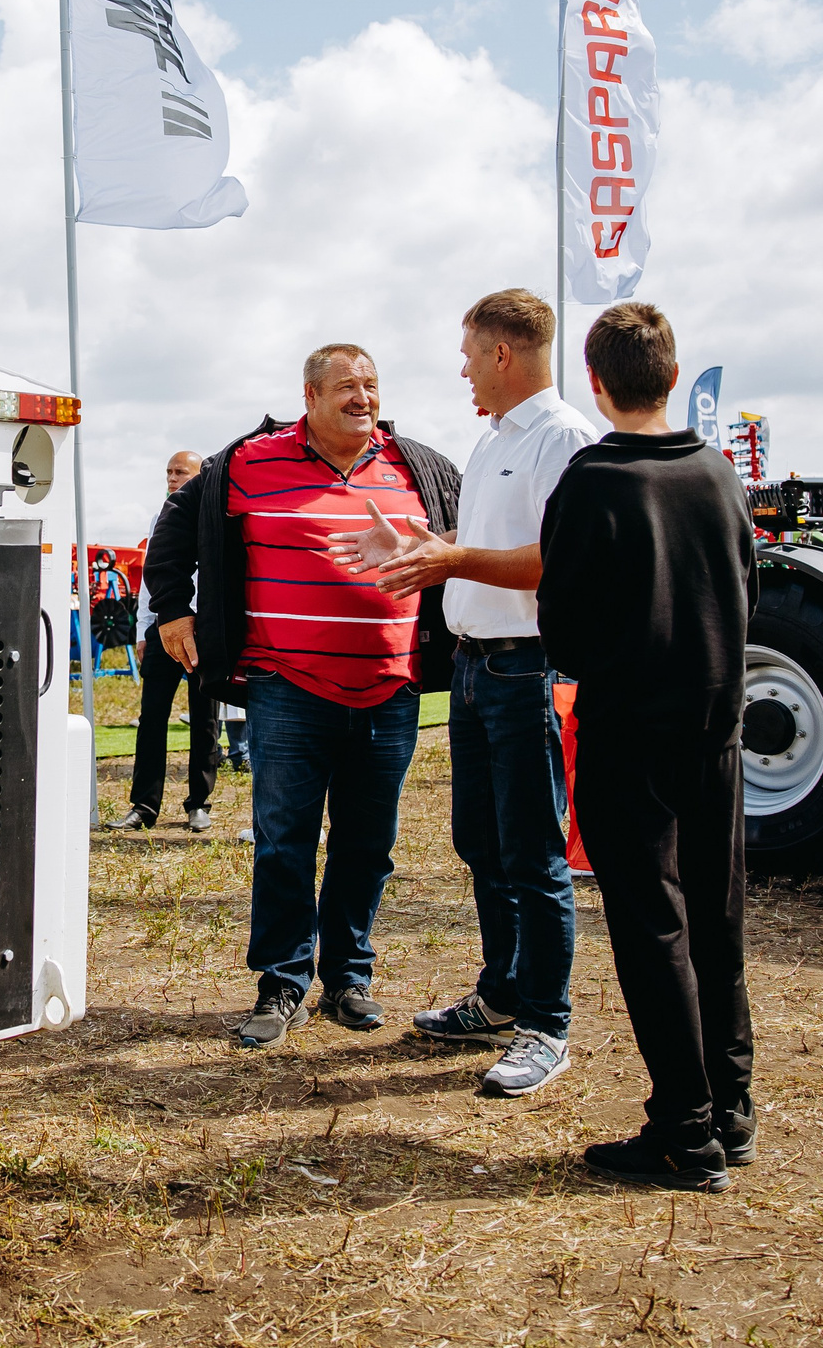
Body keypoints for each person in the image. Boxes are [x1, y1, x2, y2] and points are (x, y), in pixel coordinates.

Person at [146, 345, 460, 1048]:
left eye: (372, 384)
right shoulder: (250, 462)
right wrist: (172, 607)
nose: (364, 397)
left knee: (367, 843)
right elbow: (175, 524)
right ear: (310, 396)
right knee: (284, 841)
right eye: (348, 385)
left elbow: (469, 540)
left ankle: (348, 978)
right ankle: (282, 982)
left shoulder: (419, 465)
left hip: (391, 689)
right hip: (288, 689)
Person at [328, 289, 599, 1098]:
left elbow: (554, 560)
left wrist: (449, 562)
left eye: (470, 353)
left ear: (504, 354)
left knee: (534, 853)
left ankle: (546, 1025)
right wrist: (420, 543)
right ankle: (502, 993)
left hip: (525, 666)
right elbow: (481, 545)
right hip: (481, 669)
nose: (463, 368)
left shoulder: (563, 439)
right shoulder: (492, 443)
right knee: (483, 843)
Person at [538, 302, 757, 1192]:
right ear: (673, 376)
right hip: (718, 730)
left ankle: (685, 1131)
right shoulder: (718, 473)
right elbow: (749, 587)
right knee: (717, 921)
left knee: (652, 929)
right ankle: (732, 1112)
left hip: (630, 730)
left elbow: (562, 626)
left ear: (596, 383)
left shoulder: (592, 480)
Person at [111, 450, 219, 833]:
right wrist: (144, 629)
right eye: (169, 472)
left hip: (204, 629)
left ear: (199, 476)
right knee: (152, 717)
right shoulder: (162, 516)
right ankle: (144, 805)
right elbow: (149, 579)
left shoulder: (215, 514)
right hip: (163, 627)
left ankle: (198, 803)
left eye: (180, 472)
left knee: (204, 718)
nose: (172, 478)